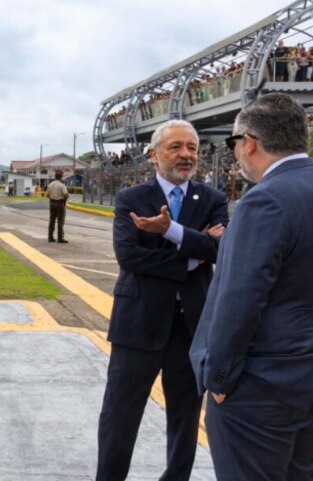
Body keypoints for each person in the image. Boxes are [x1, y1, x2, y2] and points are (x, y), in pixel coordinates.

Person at [190, 93, 313, 481]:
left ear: (249, 143)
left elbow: (239, 299)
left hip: (261, 389)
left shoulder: (265, 200)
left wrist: (219, 380)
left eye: (234, 142)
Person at [96, 119, 228, 481]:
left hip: (191, 327)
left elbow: (220, 249)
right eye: (176, 147)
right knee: (120, 414)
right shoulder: (130, 199)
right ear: (153, 154)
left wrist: (170, 231)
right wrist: (192, 255)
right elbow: (130, 257)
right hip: (137, 324)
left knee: (186, 417)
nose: (186, 155)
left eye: (192, 148)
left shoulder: (213, 199)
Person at [46, 171, 69, 243]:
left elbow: (47, 195)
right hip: (59, 204)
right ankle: (60, 238)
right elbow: (65, 195)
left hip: (52, 203)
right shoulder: (62, 185)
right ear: (61, 177)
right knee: (60, 221)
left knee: (51, 220)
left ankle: (50, 237)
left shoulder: (50, 184)